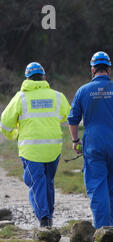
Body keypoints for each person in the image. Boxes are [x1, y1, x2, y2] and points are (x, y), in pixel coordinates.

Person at [68, 51, 113, 229]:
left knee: (97, 185)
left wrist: (75, 140)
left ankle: (101, 229)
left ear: (92, 69)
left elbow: (73, 120)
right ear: (109, 69)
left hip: (93, 144)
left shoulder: (83, 91)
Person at [0, 62, 71, 227]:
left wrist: (15, 134)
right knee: (48, 182)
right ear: (44, 77)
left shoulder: (20, 97)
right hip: (53, 149)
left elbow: (4, 123)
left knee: (36, 182)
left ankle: (44, 219)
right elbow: (69, 117)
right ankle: (49, 216)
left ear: (27, 79)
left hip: (31, 150)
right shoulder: (57, 96)